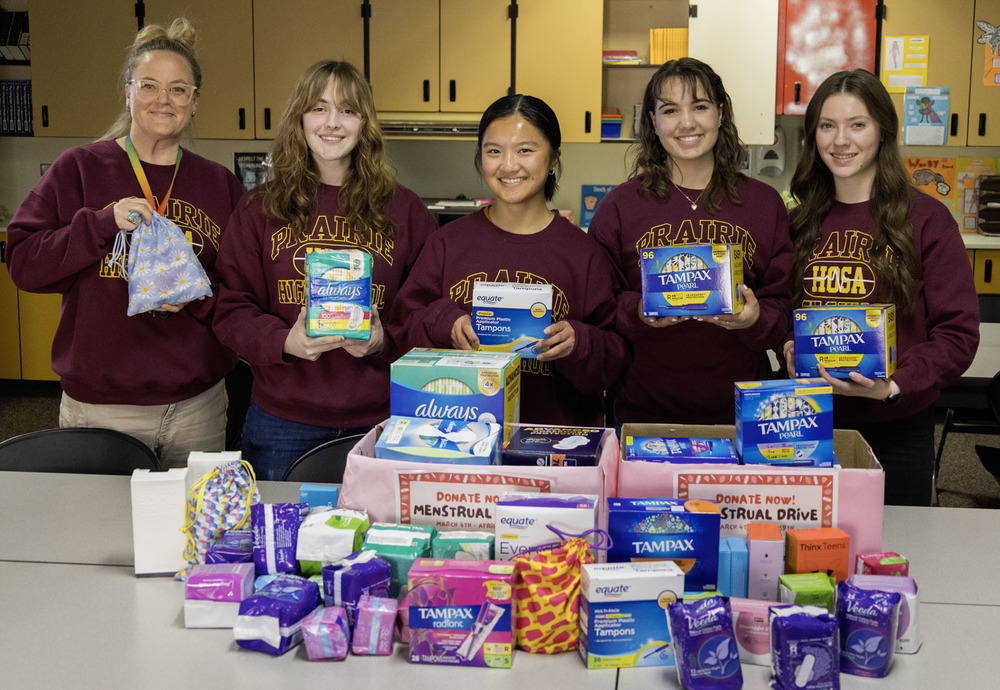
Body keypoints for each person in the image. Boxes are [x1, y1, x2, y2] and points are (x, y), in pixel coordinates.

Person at [4, 18, 244, 467]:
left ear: (194, 101)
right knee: (98, 530)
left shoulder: (219, 185)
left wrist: (195, 292)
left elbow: (243, 288)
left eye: (178, 89)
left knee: (196, 531)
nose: (163, 100)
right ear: (129, 91)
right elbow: (23, 263)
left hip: (197, 405)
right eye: (149, 85)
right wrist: (98, 225)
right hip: (100, 407)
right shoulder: (79, 168)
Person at [212, 60, 438, 481]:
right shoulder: (259, 209)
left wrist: (382, 340)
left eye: (348, 110)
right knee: (282, 543)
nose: (332, 123)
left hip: (383, 421)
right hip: (282, 421)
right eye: (319, 108)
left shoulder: (405, 211)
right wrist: (285, 341)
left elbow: (425, 313)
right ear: (299, 117)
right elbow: (230, 310)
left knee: (376, 542)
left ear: (364, 123)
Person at [784, 69, 980, 506]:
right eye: (827, 125)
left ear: (883, 131)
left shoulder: (927, 220)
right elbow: (783, 308)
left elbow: (958, 335)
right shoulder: (797, 224)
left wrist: (893, 386)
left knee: (895, 555)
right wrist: (786, 342)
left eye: (857, 125)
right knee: (806, 556)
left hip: (897, 426)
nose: (841, 140)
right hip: (807, 423)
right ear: (813, 135)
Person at [389, 94, 629, 426]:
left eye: (525, 150)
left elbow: (615, 360)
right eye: (493, 151)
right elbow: (402, 330)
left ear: (554, 157)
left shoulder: (585, 254)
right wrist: (446, 323)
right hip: (455, 435)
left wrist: (580, 342)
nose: (508, 165)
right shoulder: (446, 243)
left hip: (552, 445)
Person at [588, 58, 794, 426]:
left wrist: (754, 318)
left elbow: (783, 305)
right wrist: (640, 314)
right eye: (670, 110)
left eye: (699, 106)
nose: (687, 123)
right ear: (653, 121)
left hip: (747, 413)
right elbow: (599, 308)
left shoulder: (764, 204)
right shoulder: (620, 206)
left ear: (720, 112)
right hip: (642, 412)